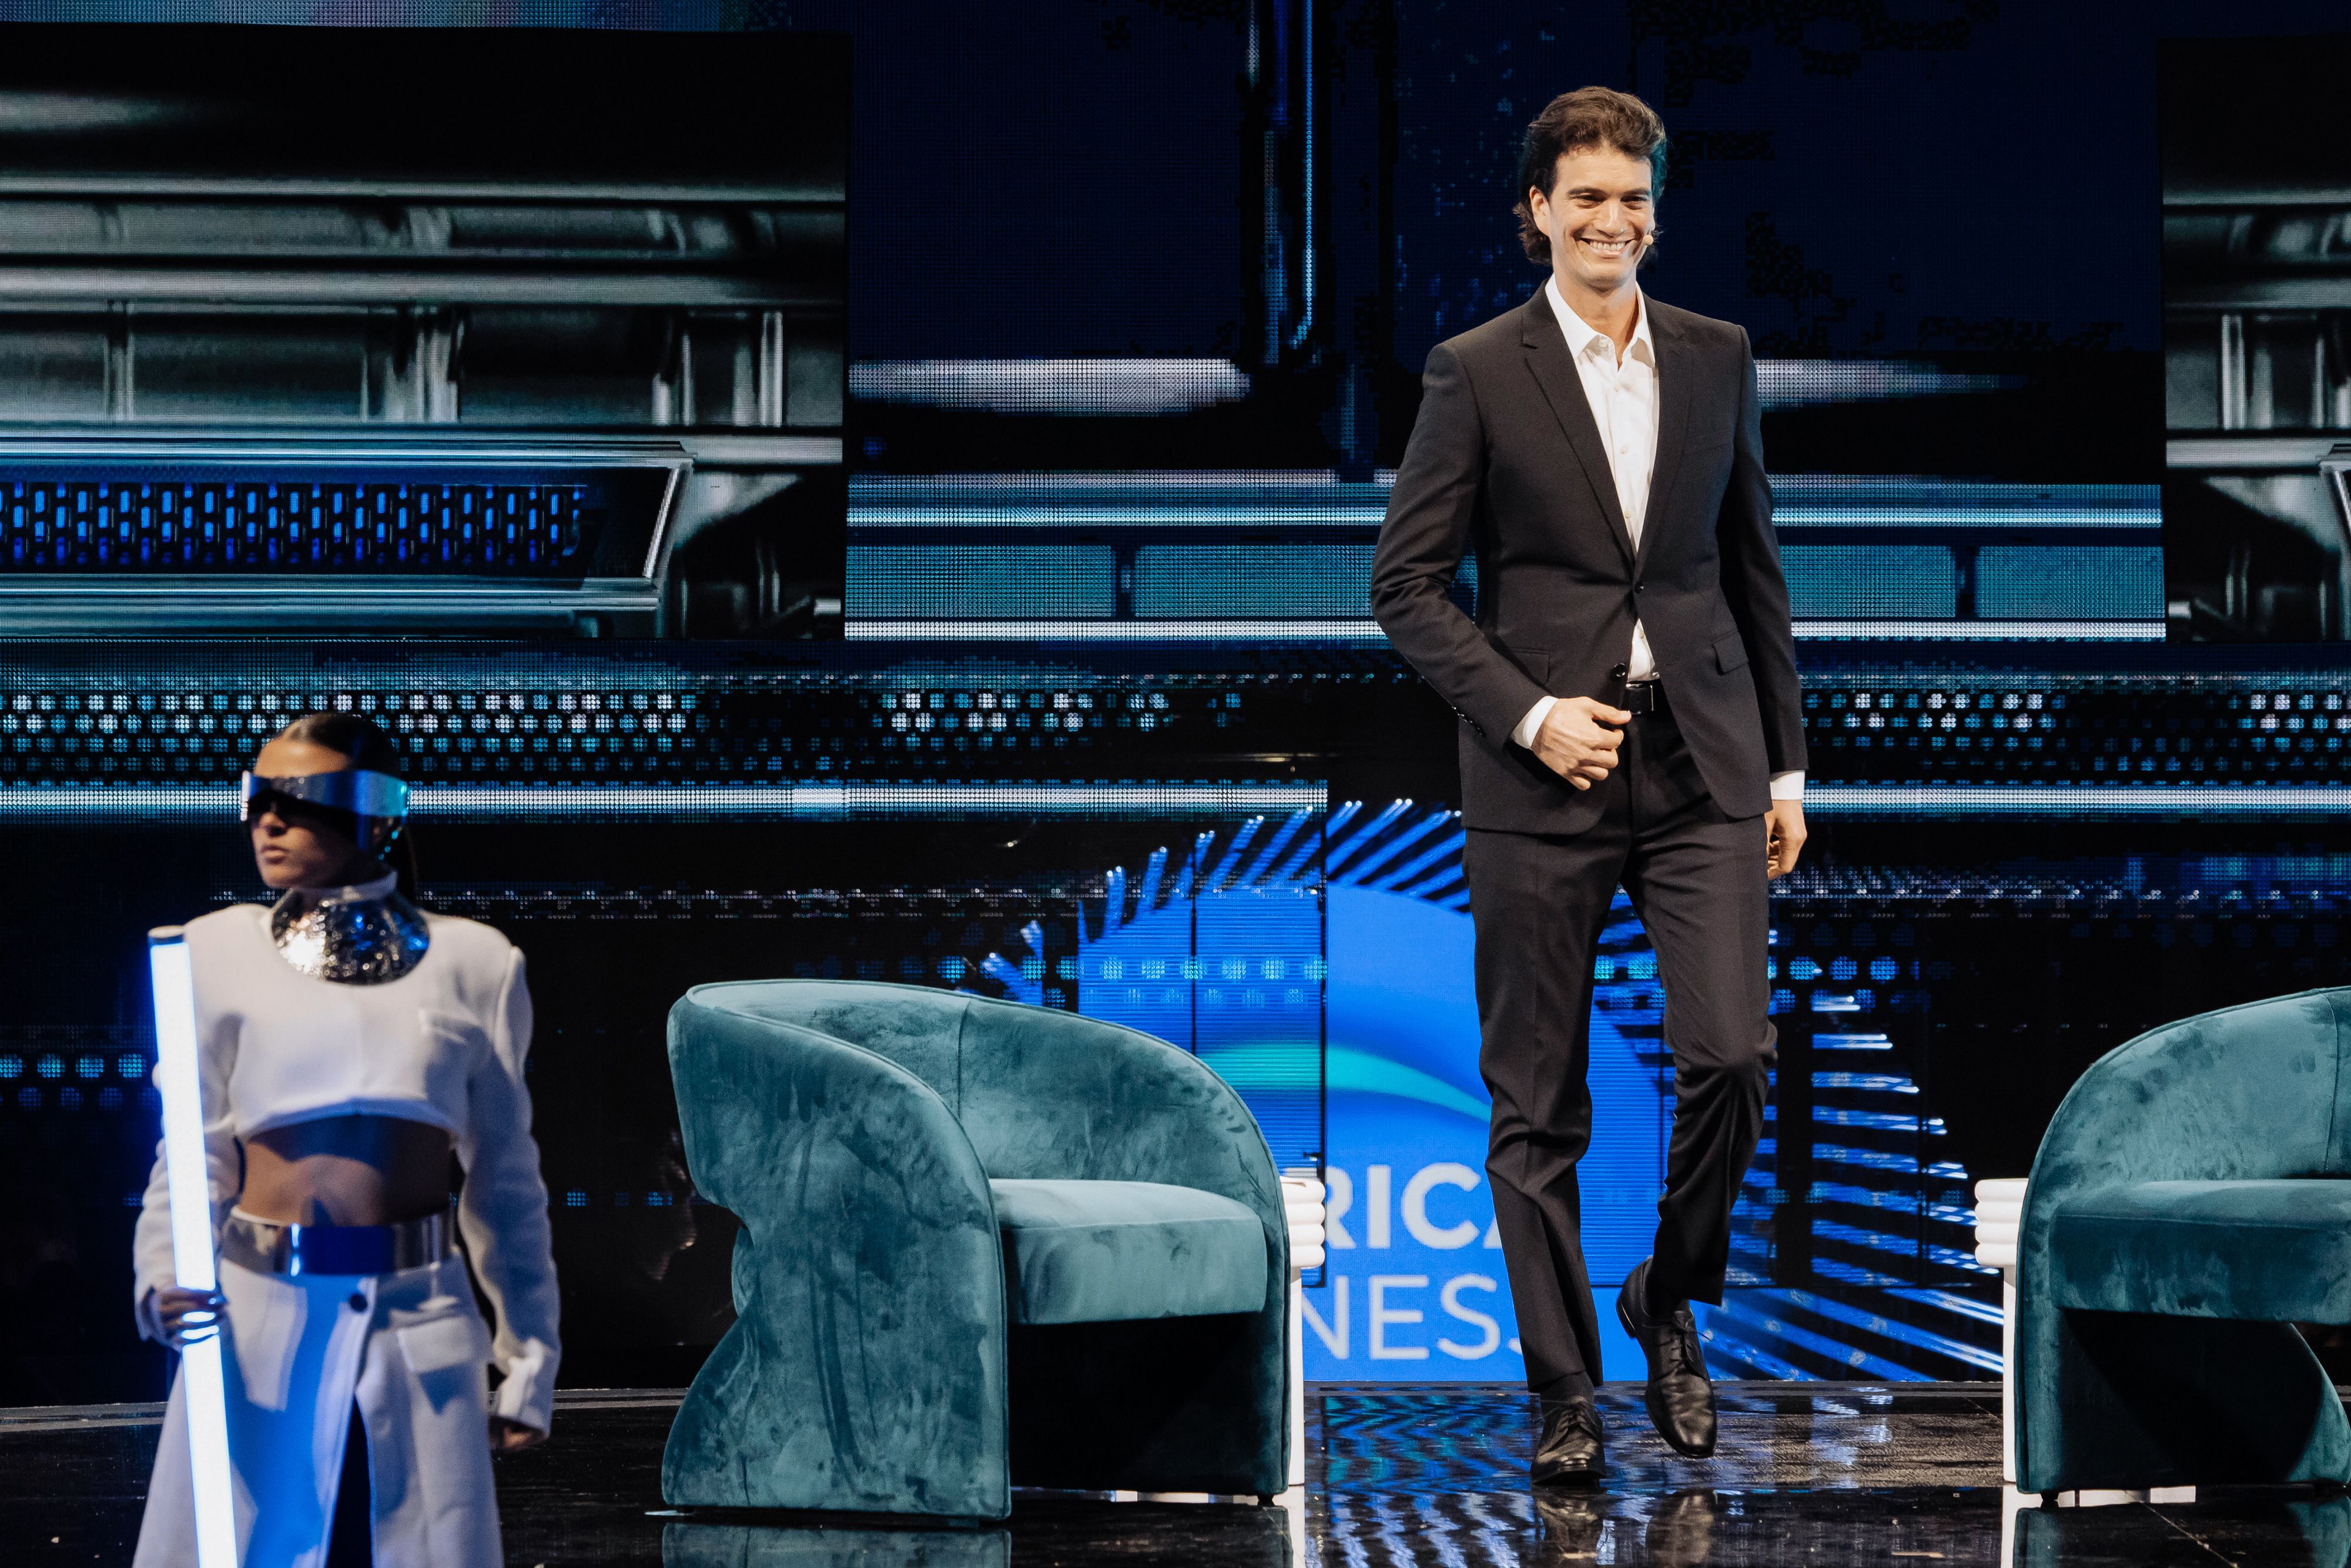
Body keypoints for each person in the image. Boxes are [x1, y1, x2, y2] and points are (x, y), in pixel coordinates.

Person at [1369, 86, 1806, 1482]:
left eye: (1631, 198)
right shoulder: (1474, 370)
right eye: (1585, 199)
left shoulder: (1715, 354)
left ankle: (1665, 1289)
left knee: (1729, 1053)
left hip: (1703, 757)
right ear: (1537, 213)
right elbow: (1404, 585)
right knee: (1535, 1103)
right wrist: (1528, 712)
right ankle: (1563, 1390)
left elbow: (1750, 569)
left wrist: (1784, 764)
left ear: (1652, 212)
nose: (1610, 220)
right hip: (1539, 773)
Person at [132, 712, 559, 1566]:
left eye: (297, 800)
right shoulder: (210, 952)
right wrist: (164, 1276)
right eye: (257, 798)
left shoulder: (477, 963)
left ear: (376, 811)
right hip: (256, 1317)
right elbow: (192, 1150)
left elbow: (506, 1181)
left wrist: (530, 1358)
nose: (268, 822)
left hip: (422, 1313)